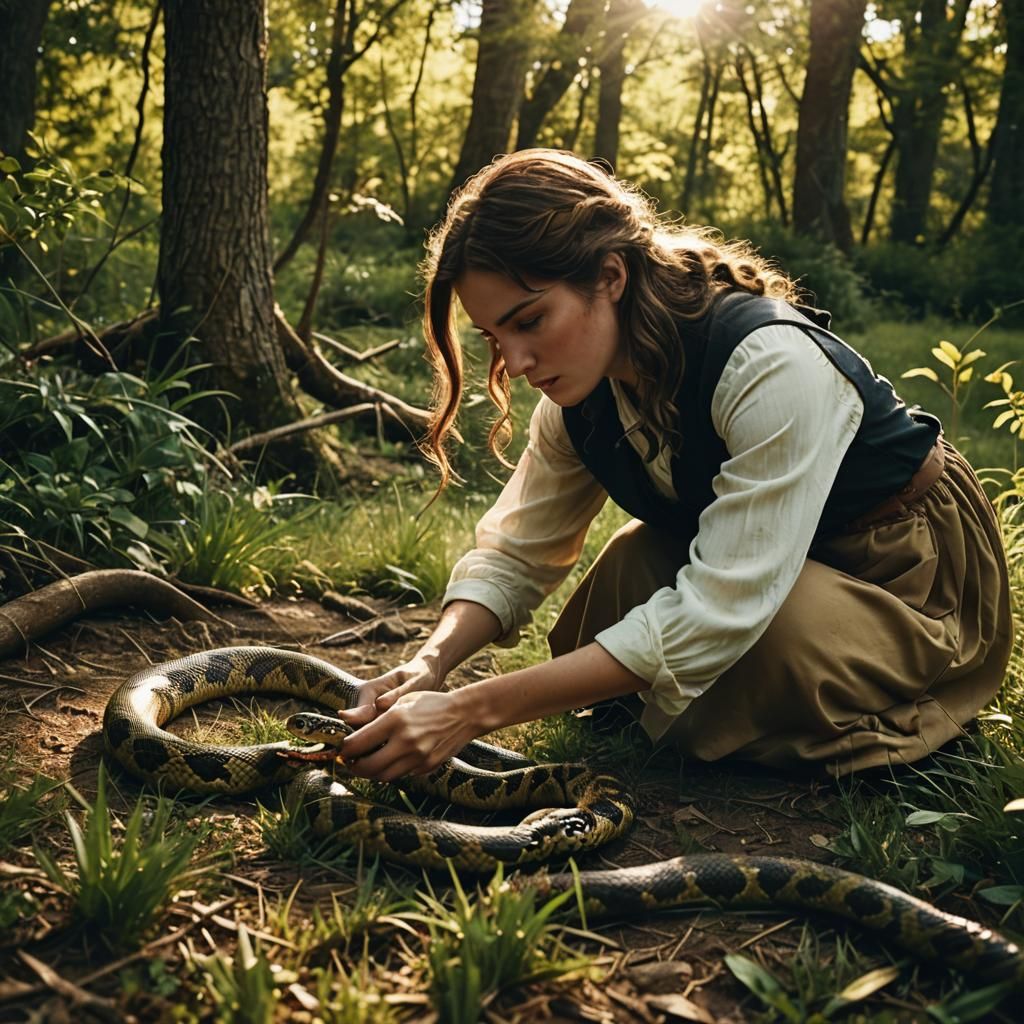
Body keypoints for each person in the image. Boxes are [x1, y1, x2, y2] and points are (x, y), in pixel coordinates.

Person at [335, 149, 1013, 781]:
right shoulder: (578, 396)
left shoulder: (770, 365)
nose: (514, 363)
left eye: (531, 321)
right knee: (631, 569)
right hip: (766, 562)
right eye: (494, 337)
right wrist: (431, 663)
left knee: (753, 642)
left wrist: (469, 710)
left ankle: (876, 694)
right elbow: (517, 552)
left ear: (610, 276)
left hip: (901, 567)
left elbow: (720, 608)